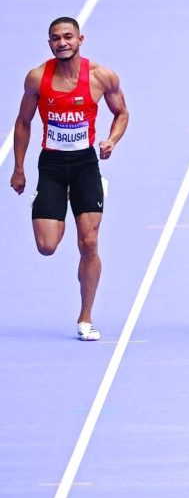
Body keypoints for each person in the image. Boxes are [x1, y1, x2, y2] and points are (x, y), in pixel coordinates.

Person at [9, 17, 129, 341]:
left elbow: (122, 113)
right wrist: (19, 168)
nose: (62, 42)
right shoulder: (37, 78)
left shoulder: (100, 77)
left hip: (85, 165)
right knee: (47, 246)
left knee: (89, 243)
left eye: (68, 37)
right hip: (51, 166)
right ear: (49, 43)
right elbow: (23, 122)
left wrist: (111, 141)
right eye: (55, 38)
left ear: (80, 40)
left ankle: (85, 318)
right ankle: (55, 198)